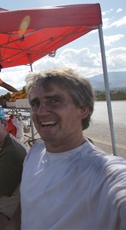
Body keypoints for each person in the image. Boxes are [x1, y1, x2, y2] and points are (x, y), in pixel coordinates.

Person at [7, 67, 126, 229]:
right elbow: (27, 203)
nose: (41, 112)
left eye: (54, 101)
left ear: (83, 110)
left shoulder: (103, 173)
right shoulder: (34, 153)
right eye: (35, 103)